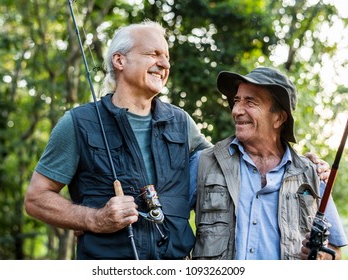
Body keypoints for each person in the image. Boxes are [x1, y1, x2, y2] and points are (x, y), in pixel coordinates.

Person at [24, 20, 212, 260]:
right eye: (153, 54)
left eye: (166, 57)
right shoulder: (78, 123)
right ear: (119, 60)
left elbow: (222, 170)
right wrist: (93, 219)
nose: (164, 64)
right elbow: (36, 198)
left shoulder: (182, 123)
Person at [191, 67, 348, 260]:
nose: (236, 110)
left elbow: (336, 252)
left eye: (250, 102)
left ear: (279, 118)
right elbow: (169, 224)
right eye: (236, 101)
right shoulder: (205, 162)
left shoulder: (313, 174)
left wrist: (323, 257)